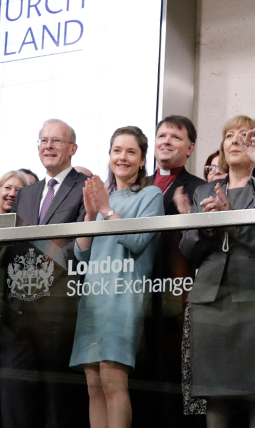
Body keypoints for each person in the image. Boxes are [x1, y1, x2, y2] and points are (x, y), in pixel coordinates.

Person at [71, 126, 163, 428]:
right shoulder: (102, 199)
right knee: (93, 385)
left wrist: (106, 210)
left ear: (142, 160)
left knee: (113, 380)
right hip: (93, 298)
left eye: (130, 152)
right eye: (117, 151)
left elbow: (138, 241)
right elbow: (82, 255)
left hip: (123, 295)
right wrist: (89, 215)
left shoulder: (151, 194)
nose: (122, 157)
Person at [4, 119, 90, 428]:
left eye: (56, 141)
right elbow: (18, 248)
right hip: (19, 309)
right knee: (17, 398)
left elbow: (79, 245)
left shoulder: (85, 187)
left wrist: (48, 253)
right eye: (43, 140)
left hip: (58, 308)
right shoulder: (27, 193)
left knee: (58, 401)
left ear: (72, 148)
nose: (48, 146)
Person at [179, 115, 255, 428]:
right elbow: (188, 248)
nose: (235, 140)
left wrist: (232, 221)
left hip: (251, 298)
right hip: (210, 301)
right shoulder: (205, 191)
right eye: (229, 135)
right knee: (215, 393)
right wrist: (206, 228)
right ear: (222, 148)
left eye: (244, 135)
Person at [139, 115, 206, 424]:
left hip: (174, 295)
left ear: (190, 148)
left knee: (170, 377)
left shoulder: (200, 188)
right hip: (134, 292)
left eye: (176, 137)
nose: (166, 141)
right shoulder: (136, 185)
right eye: (162, 135)